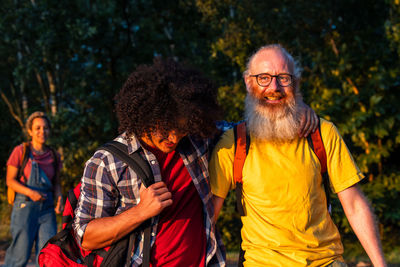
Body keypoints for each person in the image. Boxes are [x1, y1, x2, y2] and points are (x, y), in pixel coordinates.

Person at [72, 58, 317, 266]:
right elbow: (86, 237)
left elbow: (254, 130)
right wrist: (140, 212)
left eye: (182, 129)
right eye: (167, 129)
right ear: (145, 115)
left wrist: (293, 107)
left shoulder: (198, 140)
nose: (175, 138)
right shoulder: (107, 161)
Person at [209, 44, 387, 267]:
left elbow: (354, 204)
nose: (274, 87)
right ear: (248, 82)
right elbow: (209, 216)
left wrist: (381, 264)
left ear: (296, 82)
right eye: (263, 78)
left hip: (326, 262)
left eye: (284, 78)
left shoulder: (322, 133)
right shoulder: (233, 143)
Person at [5, 111, 63, 267]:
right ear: (30, 131)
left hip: (47, 209)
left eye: (45, 128)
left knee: (47, 255)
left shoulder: (54, 155)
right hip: (25, 206)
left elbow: (56, 183)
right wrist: (31, 192)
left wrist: (59, 199)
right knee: (20, 256)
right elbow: (10, 180)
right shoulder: (21, 151)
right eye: (37, 128)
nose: (42, 131)